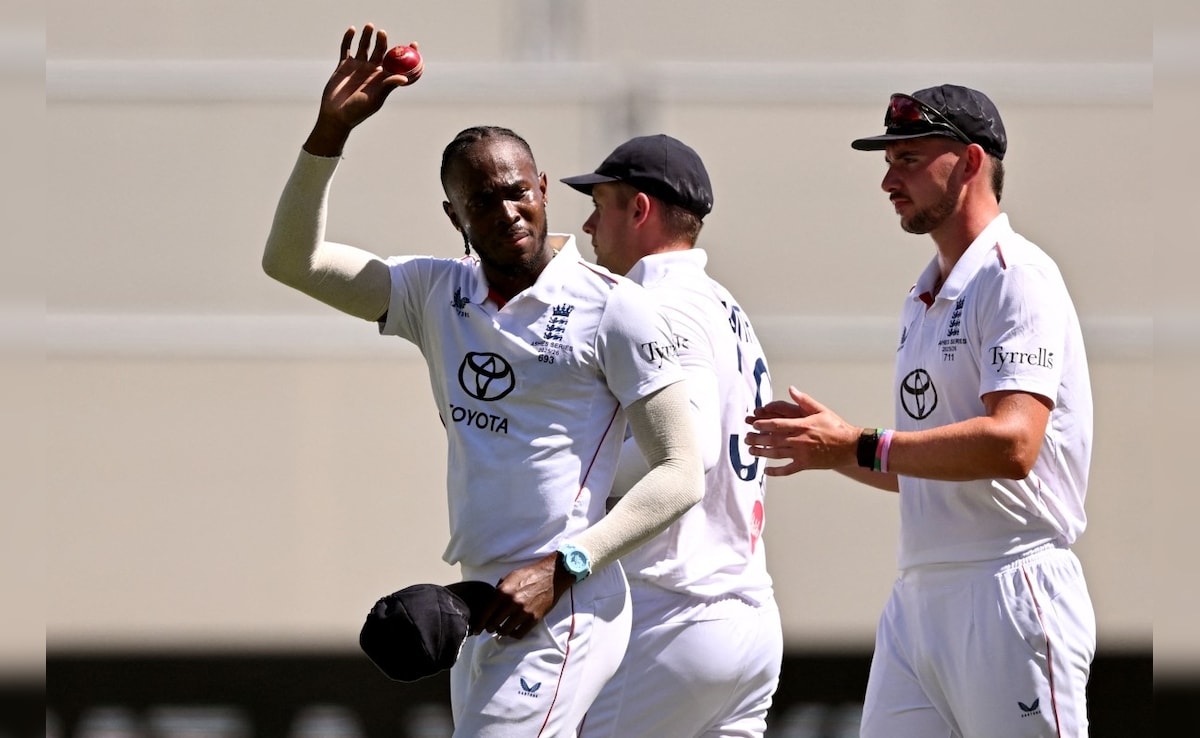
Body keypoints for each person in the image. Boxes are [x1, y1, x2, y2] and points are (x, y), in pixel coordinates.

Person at [261, 23, 705, 737]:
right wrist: (328, 134)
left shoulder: (614, 309)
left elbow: (683, 472)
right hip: (481, 601)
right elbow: (291, 261)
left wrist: (562, 569)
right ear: (454, 217)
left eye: (517, 192)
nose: (508, 213)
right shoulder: (433, 293)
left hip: (565, 596)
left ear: (541, 186)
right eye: (483, 203)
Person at [745, 84, 1096, 738]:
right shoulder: (925, 295)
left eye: (907, 158)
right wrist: (833, 451)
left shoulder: (1016, 275)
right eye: (889, 160)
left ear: (968, 162)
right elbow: (930, 462)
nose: (886, 179)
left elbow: (1012, 445)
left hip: (1010, 589)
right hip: (918, 599)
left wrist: (856, 444)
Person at [560, 134, 782, 737]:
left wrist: (573, 489)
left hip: (675, 612)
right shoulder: (721, 302)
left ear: (639, 209)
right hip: (748, 617)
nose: (586, 224)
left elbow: (697, 449)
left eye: (600, 203)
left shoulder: (659, 300)